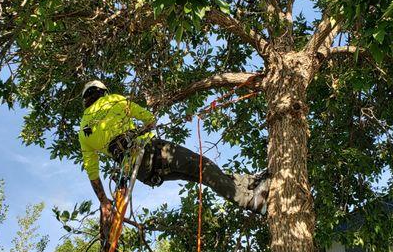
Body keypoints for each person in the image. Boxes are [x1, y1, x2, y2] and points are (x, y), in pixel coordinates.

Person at [78, 80, 270, 220]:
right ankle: (251, 201)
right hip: (151, 151)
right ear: (103, 91)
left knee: (204, 175)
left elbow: (92, 173)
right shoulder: (113, 100)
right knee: (203, 166)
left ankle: (250, 182)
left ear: (86, 100)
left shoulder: (82, 130)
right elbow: (148, 119)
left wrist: (104, 202)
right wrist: (145, 126)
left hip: (143, 172)